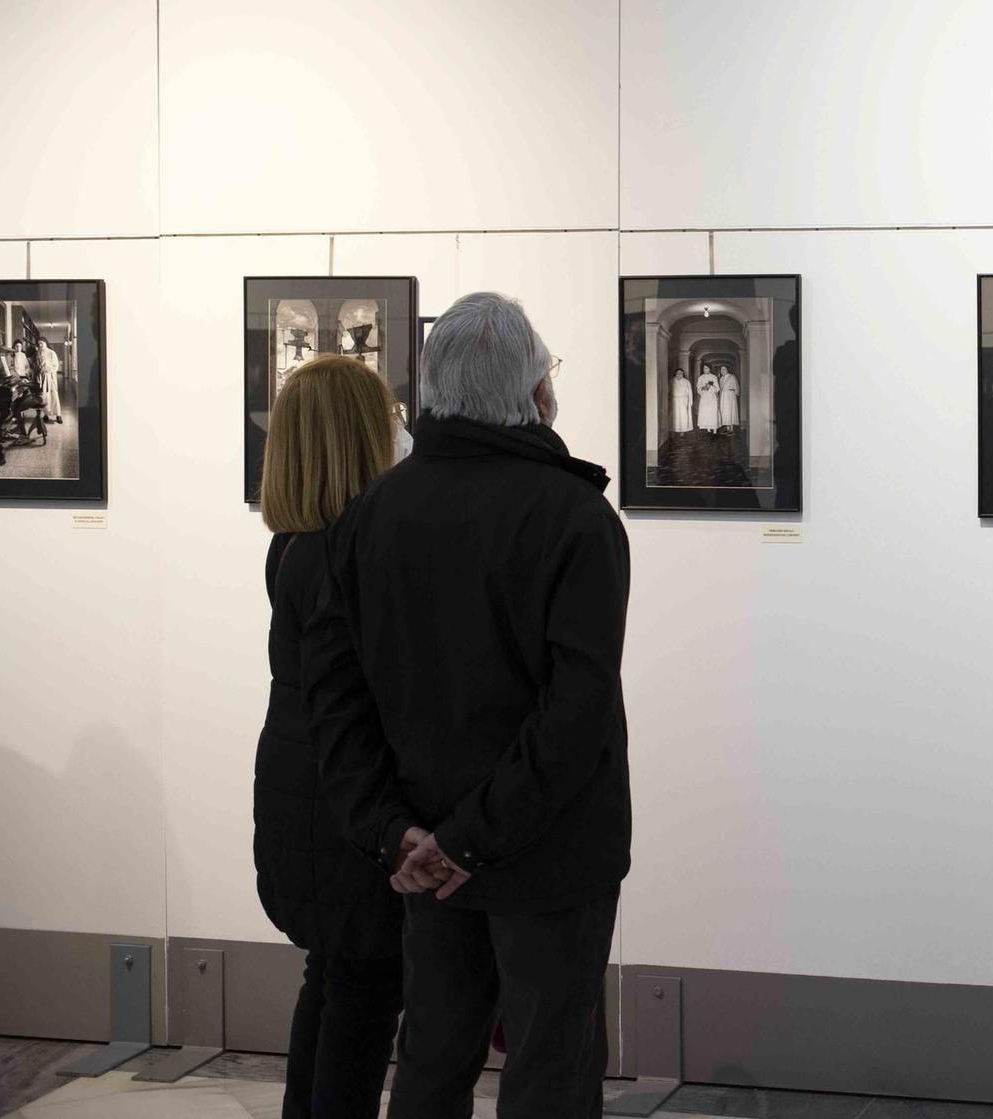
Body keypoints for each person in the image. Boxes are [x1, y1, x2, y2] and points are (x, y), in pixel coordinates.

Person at [306, 292, 631, 1117]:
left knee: (431, 1065)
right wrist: (468, 840)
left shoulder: (372, 514)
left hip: (425, 855)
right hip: (545, 856)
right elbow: (575, 713)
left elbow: (335, 698)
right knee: (550, 1071)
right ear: (533, 392)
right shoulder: (574, 518)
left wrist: (398, 833)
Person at [254, 355, 405, 1119]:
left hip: (299, 795)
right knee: (362, 993)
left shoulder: (294, 546)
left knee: (334, 977)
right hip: (343, 806)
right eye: (389, 417)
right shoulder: (347, 555)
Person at [695, 365, 720, 432]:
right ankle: (708, 427)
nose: (705, 370)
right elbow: (698, 388)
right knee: (706, 411)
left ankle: (714, 428)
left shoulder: (714, 377)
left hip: (712, 396)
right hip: (704, 396)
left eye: (706, 368)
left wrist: (711, 386)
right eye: (704, 368)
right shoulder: (701, 377)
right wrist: (703, 388)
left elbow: (717, 388)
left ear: (709, 369)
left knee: (712, 411)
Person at [669, 368, 694, 434]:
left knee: (683, 415)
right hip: (674, 401)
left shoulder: (686, 382)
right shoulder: (671, 381)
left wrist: (690, 402)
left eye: (681, 373)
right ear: (675, 373)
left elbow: (690, 393)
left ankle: (682, 430)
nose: (679, 374)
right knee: (674, 415)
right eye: (678, 373)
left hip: (684, 401)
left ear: (683, 374)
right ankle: (673, 429)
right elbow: (667, 391)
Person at [718, 365, 741, 432]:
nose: (723, 371)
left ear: (727, 370)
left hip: (730, 396)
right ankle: (727, 427)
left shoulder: (732, 377)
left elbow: (736, 386)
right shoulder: (721, 378)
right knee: (725, 412)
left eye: (724, 369)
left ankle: (731, 428)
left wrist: (736, 394)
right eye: (721, 369)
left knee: (730, 411)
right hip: (723, 397)